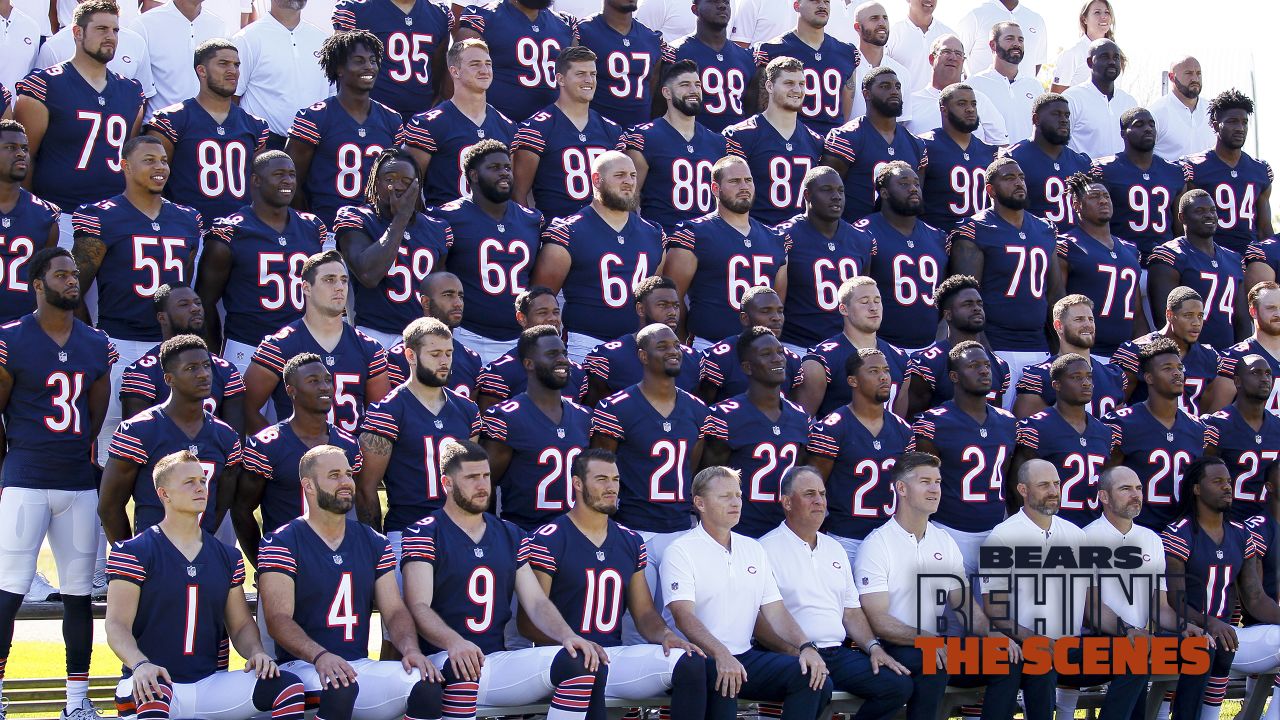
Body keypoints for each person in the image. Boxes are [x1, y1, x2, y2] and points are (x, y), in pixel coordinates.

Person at [398, 439, 610, 720]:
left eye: (486, 476)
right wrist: (453, 642)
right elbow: (419, 606)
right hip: (445, 657)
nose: (482, 485)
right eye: (472, 478)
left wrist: (567, 636)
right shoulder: (426, 533)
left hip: (496, 659)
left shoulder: (511, 534)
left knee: (583, 661)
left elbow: (535, 602)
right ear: (447, 483)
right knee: (463, 667)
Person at [104, 450, 308, 720]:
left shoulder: (227, 556)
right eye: (189, 482)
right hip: (150, 682)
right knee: (154, 694)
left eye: (202, 481)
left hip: (208, 684)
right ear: (164, 494)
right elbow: (116, 625)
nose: (200, 487)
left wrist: (257, 652)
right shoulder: (134, 552)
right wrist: (140, 664)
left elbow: (241, 625)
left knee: (288, 688)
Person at [0, 247, 114, 720]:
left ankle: (76, 701)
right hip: (25, 478)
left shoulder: (96, 343)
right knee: (7, 591)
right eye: (61, 274)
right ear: (36, 283)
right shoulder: (10, 340)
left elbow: (95, 415)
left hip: (76, 482)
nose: (72, 281)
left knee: (78, 597)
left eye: (74, 274)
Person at [256, 445, 445, 720]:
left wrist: (411, 650)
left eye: (348, 474)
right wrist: (321, 656)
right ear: (308, 485)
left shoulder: (373, 541)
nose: (345, 482)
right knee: (341, 688)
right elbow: (278, 620)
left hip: (358, 665)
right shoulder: (281, 541)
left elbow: (394, 610)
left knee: (426, 685)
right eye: (334, 475)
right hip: (305, 665)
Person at [522, 449, 710, 716]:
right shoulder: (548, 539)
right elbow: (528, 622)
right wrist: (573, 640)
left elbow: (644, 613)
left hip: (613, 654)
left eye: (616, 479)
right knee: (588, 666)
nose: (611, 488)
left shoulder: (630, 540)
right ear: (577, 484)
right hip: (564, 657)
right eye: (601, 479)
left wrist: (667, 635)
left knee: (691, 662)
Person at [855, 451, 1023, 720]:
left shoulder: (943, 541)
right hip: (898, 647)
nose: (935, 489)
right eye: (925, 481)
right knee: (933, 661)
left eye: (938, 481)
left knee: (1007, 658)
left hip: (936, 644)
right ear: (901, 488)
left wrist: (995, 636)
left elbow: (965, 606)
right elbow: (878, 621)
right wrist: (927, 640)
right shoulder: (877, 545)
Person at [662, 465, 833, 720]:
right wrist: (721, 655)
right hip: (701, 659)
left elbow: (776, 611)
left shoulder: (753, 549)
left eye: (738, 496)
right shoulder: (681, 550)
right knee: (724, 682)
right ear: (700, 503)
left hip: (744, 657)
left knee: (814, 678)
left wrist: (805, 646)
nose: (735, 503)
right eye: (725, 497)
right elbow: (683, 616)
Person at [72, 136, 201, 463]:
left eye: (163, 160)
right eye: (149, 160)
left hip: (170, 348)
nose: (160, 167)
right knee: (109, 450)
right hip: (120, 342)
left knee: (174, 449)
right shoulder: (103, 217)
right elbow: (74, 288)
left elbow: (182, 287)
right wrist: (92, 339)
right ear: (125, 166)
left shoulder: (186, 219)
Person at [760, 465, 914, 719]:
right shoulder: (764, 549)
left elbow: (851, 612)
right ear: (787, 502)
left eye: (822, 493)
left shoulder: (835, 549)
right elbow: (760, 618)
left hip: (836, 653)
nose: (819, 501)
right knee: (815, 683)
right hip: (792, 653)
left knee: (897, 685)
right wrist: (795, 651)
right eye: (809, 494)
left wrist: (874, 647)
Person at [590, 322, 708, 641]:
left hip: (680, 529)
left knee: (680, 623)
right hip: (634, 528)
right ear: (642, 356)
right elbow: (602, 473)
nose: (673, 350)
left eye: (676, 345)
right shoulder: (616, 408)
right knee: (634, 625)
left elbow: (692, 468)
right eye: (662, 346)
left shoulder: (697, 410)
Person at [1074, 466, 1203, 720]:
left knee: (1199, 648)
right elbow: (1091, 610)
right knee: (1137, 651)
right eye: (1125, 489)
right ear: (1104, 497)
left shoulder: (1151, 539)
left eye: (1138, 489)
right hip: (1097, 642)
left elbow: (1160, 606)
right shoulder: (1085, 538)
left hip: (1141, 640)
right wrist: (1128, 630)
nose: (1135, 495)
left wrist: (1183, 626)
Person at [14, 0, 145, 247]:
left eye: (115, 30)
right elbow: (25, 158)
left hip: (115, 216)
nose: (110, 37)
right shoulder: (44, 85)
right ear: (77, 32)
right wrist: (34, 214)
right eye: (101, 29)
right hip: (61, 215)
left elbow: (128, 155)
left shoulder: (131, 90)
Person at [1161, 457, 1280, 720]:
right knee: (1209, 646)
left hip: (1227, 637)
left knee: (1225, 645)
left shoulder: (1240, 533)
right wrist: (1210, 622)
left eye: (1228, 481)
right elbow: (1175, 601)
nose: (1227, 487)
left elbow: (1255, 597)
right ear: (1196, 488)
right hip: (1186, 635)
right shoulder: (1178, 534)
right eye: (1217, 481)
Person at [100, 334, 242, 541]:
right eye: (191, 368)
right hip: (152, 556)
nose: (203, 374)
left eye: (206, 366)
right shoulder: (138, 430)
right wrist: (132, 555)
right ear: (169, 379)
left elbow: (220, 506)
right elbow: (109, 507)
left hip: (201, 554)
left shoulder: (227, 436)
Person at [196, 151, 328, 374]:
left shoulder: (312, 227)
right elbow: (205, 303)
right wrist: (214, 357)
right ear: (256, 180)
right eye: (278, 174)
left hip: (300, 345)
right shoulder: (230, 232)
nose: (288, 180)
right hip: (247, 345)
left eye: (292, 174)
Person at [947, 156, 1063, 401]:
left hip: (1039, 347)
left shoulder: (1044, 229)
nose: (1018, 182)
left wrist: (1057, 351)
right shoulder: (975, 229)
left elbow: (1054, 295)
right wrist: (983, 351)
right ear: (991, 189)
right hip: (997, 346)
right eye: (1009, 178)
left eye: (1021, 177)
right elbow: (967, 299)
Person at [530, 151, 664, 363]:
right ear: (596, 179)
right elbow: (540, 299)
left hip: (637, 344)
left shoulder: (654, 234)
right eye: (619, 175)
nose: (628, 181)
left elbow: (657, 297)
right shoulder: (568, 231)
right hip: (584, 343)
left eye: (632, 175)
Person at [355, 317, 481, 541]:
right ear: (411, 355)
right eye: (435, 354)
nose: (444, 361)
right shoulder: (388, 411)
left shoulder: (467, 410)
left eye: (448, 353)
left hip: (459, 530)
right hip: (407, 530)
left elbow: (473, 478)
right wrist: (376, 545)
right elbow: (366, 488)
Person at [234, 352, 363, 568]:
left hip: (339, 560)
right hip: (287, 560)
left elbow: (359, 507)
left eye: (327, 380)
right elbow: (241, 511)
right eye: (313, 381)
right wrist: (265, 566)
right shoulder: (267, 445)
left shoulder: (348, 444)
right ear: (291, 390)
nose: (324, 387)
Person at [978, 460, 1085, 720]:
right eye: (1044, 485)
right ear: (1023, 490)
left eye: (1057, 483)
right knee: (1041, 659)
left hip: (1071, 643)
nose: (1054, 491)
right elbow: (995, 609)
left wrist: (1127, 631)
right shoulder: (1002, 538)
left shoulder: (1076, 535)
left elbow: (1092, 602)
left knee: (1133, 659)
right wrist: (1034, 639)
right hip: (1023, 641)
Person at [242, 251, 389, 435]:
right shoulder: (279, 346)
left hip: (351, 459)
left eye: (343, 280)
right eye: (329, 279)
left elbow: (381, 419)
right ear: (306, 288)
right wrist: (280, 449)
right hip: (299, 460)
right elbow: (244, 408)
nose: (339, 287)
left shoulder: (370, 348)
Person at [428, 141, 545, 364]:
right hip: (467, 334)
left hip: (517, 337)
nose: (504, 173)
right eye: (494, 168)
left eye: (507, 167)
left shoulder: (531, 219)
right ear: (473, 175)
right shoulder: (447, 217)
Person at [908, 341, 1016, 575]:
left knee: (999, 609)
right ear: (954, 376)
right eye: (974, 365)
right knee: (949, 609)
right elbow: (924, 483)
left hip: (996, 530)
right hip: (949, 529)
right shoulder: (933, 422)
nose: (984, 370)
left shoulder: (1008, 422)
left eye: (986, 365)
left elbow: (1005, 476)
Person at [659, 155, 785, 351]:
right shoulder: (694, 234)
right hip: (708, 345)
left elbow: (777, 300)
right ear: (715, 189)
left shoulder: (776, 239)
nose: (743, 186)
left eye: (748, 180)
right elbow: (673, 299)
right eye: (734, 181)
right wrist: (684, 343)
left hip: (760, 349)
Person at [335, 147, 453, 350]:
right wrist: (401, 218)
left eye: (406, 182)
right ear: (376, 182)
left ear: (417, 187)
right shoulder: (357, 218)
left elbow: (439, 290)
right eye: (389, 179)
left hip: (422, 335)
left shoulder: (438, 228)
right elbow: (368, 274)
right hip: (374, 332)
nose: (397, 187)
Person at [144, 40, 269, 229]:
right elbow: (151, 181)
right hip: (190, 230)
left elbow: (260, 187)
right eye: (223, 64)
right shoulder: (172, 119)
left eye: (236, 65)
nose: (232, 71)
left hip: (241, 232)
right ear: (201, 71)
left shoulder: (255, 125)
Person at [285, 30, 403, 230]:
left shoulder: (392, 119)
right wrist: (310, 225)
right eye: (359, 60)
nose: (368, 67)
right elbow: (291, 180)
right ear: (339, 67)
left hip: (377, 229)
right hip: (328, 227)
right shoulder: (315, 117)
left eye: (372, 60)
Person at [700, 327, 808, 539]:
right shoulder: (725, 416)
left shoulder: (800, 417)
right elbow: (709, 481)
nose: (778, 359)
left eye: (780, 352)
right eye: (766, 354)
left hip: (785, 535)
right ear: (747, 367)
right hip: (741, 533)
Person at [479, 325, 591, 532]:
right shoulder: (506, 417)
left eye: (564, 353)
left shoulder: (584, 417)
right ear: (528, 364)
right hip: (526, 534)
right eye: (552, 354)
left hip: (577, 534)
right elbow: (485, 484)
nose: (563, 360)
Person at [807, 347, 913, 560]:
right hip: (845, 538)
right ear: (853, 381)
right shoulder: (831, 428)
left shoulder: (903, 430)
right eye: (873, 371)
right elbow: (813, 487)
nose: (883, 376)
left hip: (889, 538)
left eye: (886, 370)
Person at [1103, 337, 1207, 531]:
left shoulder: (1198, 428)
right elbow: (1105, 480)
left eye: (1179, 368)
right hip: (1135, 529)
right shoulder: (1122, 423)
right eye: (1167, 368)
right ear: (1148, 377)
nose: (1177, 373)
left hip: (1181, 532)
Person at [511, 46, 625, 223]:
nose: (589, 80)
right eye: (580, 74)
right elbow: (518, 192)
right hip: (557, 231)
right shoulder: (537, 128)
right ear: (560, 79)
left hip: (603, 228)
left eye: (593, 74)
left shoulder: (611, 130)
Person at [403, 40, 516, 208]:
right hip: (448, 225)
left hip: (492, 226)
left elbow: (509, 190)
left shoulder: (507, 126)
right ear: (454, 71)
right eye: (475, 65)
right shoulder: (427, 124)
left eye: (488, 64)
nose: (484, 70)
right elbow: (409, 187)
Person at [775, 166, 874, 353]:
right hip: (798, 344)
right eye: (826, 190)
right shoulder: (784, 236)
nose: (836, 196)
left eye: (841, 191)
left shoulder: (862, 239)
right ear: (807, 195)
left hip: (846, 346)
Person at [621, 59, 728, 233]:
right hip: (663, 238)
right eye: (685, 85)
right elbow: (628, 198)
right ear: (667, 92)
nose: (694, 90)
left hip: (708, 239)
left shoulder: (717, 143)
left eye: (697, 84)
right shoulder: (645, 138)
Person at [118, 283, 244, 430]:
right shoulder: (142, 373)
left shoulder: (226, 371)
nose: (195, 308)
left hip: (212, 452)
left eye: (198, 303)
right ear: (162, 317)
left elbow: (235, 441)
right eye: (184, 304)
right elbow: (136, 439)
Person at [1010, 355, 1113, 525]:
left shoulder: (1104, 432)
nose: (1086, 383)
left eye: (1089, 376)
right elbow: (1016, 485)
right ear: (1056, 385)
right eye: (1076, 377)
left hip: (1093, 527)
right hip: (1050, 528)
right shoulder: (1035, 428)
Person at [1052, 172, 1147, 356]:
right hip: (1086, 352)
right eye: (1094, 196)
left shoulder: (1130, 250)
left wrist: (1140, 351)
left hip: (1124, 355)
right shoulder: (1067, 245)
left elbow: (1137, 313)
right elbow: (1056, 302)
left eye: (1105, 196)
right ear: (1077, 204)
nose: (1102, 201)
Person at [722, 56, 824, 226]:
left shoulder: (815, 141)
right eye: (789, 83)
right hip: (758, 233)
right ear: (769, 86)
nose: (797, 90)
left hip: (801, 236)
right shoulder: (740, 135)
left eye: (802, 84)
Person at [896, 274, 1009, 419]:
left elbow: (994, 419)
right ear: (948, 315)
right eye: (967, 304)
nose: (976, 308)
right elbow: (912, 421)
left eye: (979, 304)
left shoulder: (999, 365)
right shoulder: (928, 362)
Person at [862, 162, 948, 352]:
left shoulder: (938, 237)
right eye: (903, 184)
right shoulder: (863, 233)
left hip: (928, 346)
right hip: (880, 347)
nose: (913, 188)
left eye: (916, 183)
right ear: (884, 193)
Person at [822, 67, 926, 224]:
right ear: (866, 94)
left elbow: (915, 199)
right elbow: (826, 194)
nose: (894, 91)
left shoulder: (917, 144)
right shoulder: (846, 137)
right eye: (885, 86)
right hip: (855, 234)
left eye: (897, 87)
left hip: (899, 235)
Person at [1147, 190, 1249, 350]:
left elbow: (1242, 321)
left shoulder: (1234, 259)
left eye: (1212, 210)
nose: (1209, 215)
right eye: (1199, 211)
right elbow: (1164, 319)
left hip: (1226, 357)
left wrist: (1239, 356)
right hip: (1188, 356)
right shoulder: (1170, 255)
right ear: (1182, 217)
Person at [794, 276, 907, 419]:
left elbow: (900, 424)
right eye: (864, 302)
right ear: (843, 309)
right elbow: (802, 423)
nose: (873, 308)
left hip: (887, 440)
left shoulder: (901, 359)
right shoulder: (822, 359)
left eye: (877, 301)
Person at [1179, 89, 1273, 255]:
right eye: (1232, 121)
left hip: (1249, 258)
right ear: (1215, 125)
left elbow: (1264, 230)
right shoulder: (1193, 167)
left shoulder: (1260, 170)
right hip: (1209, 256)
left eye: (1244, 122)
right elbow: (1182, 225)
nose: (1240, 128)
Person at [1087, 107, 1186, 263]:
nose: (1147, 129)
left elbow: (1180, 228)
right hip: (1120, 261)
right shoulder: (1104, 170)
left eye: (1151, 124)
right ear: (1123, 133)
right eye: (1139, 124)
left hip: (1163, 263)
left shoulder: (1174, 171)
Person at [454, 0, 576, 124]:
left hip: (553, 129)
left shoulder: (565, 23)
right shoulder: (482, 18)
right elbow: (459, 79)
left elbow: (578, 77)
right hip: (499, 129)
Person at [582, 276, 699, 404]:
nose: (672, 312)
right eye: (662, 305)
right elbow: (594, 413)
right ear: (641, 309)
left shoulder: (693, 359)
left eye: (676, 306)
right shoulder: (608, 358)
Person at [1111, 287, 1228, 416]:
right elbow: (1117, 404)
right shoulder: (1136, 350)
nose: (1196, 323)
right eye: (1188, 316)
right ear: (1170, 315)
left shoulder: (1210, 357)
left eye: (1200, 316)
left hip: (1190, 433)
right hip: (1146, 431)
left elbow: (1207, 410)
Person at [751, 0, 859, 138]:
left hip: (831, 144)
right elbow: (761, 107)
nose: (822, 6)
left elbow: (846, 108)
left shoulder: (847, 52)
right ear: (796, 6)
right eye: (815, 1)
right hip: (789, 140)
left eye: (827, 2)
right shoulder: (772, 49)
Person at [331, 0, 451, 121]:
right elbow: (342, 69)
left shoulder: (439, 14)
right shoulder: (356, 9)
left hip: (420, 119)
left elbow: (439, 71)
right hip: (372, 117)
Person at [231, 0, 329, 148]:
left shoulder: (323, 40)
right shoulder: (247, 39)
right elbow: (232, 97)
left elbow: (333, 96)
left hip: (317, 147)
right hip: (264, 146)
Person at [1011, 295, 1126, 419]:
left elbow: (1118, 430)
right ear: (1059, 326)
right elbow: (1025, 431)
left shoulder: (1113, 375)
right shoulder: (1040, 376)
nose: (1088, 324)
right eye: (1079, 319)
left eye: (1090, 319)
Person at [475, 287, 586, 410]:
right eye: (543, 313)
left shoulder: (577, 373)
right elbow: (490, 424)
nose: (552, 318)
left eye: (555, 312)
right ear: (521, 318)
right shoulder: (500, 372)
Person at [1201, 353, 1280, 523]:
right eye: (1255, 373)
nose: (1265, 378)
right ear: (1237, 381)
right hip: (1229, 524)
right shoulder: (1216, 425)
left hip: (1268, 526)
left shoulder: (1278, 427)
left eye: (1268, 373)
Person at [697, 285, 802, 404]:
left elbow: (794, 412)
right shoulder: (718, 358)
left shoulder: (792, 360)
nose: (776, 318)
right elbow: (703, 408)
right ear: (745, 318)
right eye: (765, 311)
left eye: (780, 311)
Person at [664, 0, 757, 133]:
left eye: (726, 2)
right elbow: (661, 105)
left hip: (736, 144)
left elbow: (751, 108)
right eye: (713, 1)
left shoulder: (747, 57)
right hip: (693, 142)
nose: (722, 6)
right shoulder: (675, 52)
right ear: (695, 9)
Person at [0, 119, 59, 324]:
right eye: (10, 147)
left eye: (24, 148)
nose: (20, 153)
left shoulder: (45, 215)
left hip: (23, 329)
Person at [130, 0, 230, 118]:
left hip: (207, 128)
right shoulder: (144, 24)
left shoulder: (219, 26)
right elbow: (135, 89)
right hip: (158, 128)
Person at [1005, 93, 1092, 228]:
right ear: (1036, 119)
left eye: (1067, 115)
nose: (1064, 120)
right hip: (1035, 243)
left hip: (1076, 244)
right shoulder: (1013, 158)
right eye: (1056, 114)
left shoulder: (1081, 162)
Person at [918, 83, 998, 230]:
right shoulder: (923, 145)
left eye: (973, 104)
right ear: (944, 110)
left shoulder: (989, 151)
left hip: (982, 237)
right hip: (940, 236)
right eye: (961, 104)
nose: (970, 109)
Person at [576, 0, 666, 128]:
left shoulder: (652, 38)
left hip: (639, 135)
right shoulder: (582, 32)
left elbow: (651, 85)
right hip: (597, 133)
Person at [904, 35, 1007, 146]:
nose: (953, 57)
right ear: (931, 59)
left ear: (963, 61)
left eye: (958, 54)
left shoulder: (979, 100)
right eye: (946, 52)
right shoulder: (910, 101)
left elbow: (1000, 146)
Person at [963, 22, 1041, 145]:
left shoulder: (1035, 86)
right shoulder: (973, 85)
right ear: (993, 45)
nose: (1017, 43)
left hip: (1030, 162)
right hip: (992, 162)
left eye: (1021, 40)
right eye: (1010, 38)